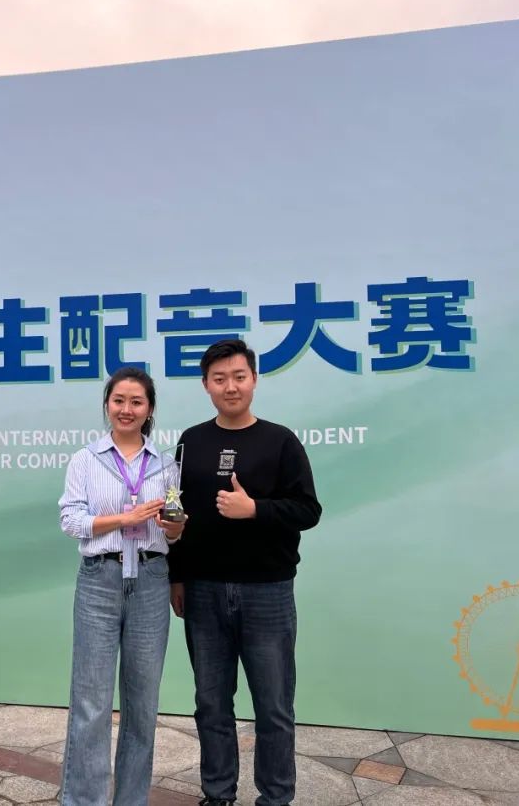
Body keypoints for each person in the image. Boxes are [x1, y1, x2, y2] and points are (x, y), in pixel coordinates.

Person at [168, 339, 322, 806]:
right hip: (203, 590)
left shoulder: (280, 441)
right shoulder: (190, 442)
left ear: (254, 380)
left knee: (273, 706)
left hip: (267, 592)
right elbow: (177, 513)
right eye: (219, 379)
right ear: (206, 385)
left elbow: (308, 510)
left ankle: (275, 798)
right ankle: (217, 795)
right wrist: (177, 575)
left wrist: (255, 509)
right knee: (211, 703)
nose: (230, 387)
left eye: (238, 377)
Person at [58, 366, 187, 806]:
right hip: (100, 580)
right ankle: (84, 800)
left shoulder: (166, 465)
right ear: (107, 405)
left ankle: (131, 800)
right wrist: (123, 518)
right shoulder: (85, 459)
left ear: (149, 409)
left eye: (136, 402)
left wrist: (175, 528)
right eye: (119, 401)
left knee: (142, 704)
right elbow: (71, 520)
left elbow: (174, 532)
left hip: (151, 581)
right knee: (91, 702)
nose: (126, 409)